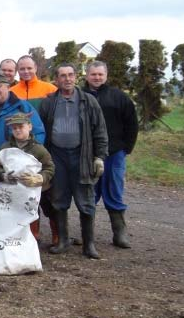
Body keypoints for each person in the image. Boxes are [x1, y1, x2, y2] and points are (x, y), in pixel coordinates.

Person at [38, 63, 109, 260]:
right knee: (59, 199)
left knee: (85, 200)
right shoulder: (49, 103)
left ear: (76, 77)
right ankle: (62, 240)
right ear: (57, 79)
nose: (67, 79)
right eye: (62, 76)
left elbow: (100, 131)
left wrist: (100, 157)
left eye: (70, 75)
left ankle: (89, 244)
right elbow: (41, 130)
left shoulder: (88, 101)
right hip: (57, 156)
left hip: (82, 156)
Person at [84, 60, 138, 249]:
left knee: (114, 191)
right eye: (93, 74)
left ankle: (119, 233)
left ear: (106, 76)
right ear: (87, 75)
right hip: (87, 154)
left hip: (114, 153)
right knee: (88, 193)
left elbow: (132, 124)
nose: (97, 77)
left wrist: (126, 148)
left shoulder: (119, 97)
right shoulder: (79, 97)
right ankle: (87, 234)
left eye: (100, 74)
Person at [0, 112, 55, 241]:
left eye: (20, 126)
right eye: (14, 128)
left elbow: (50, 167)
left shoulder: (39, 149)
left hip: (32, 191)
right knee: (12, 213)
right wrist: (3, 175)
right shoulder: (5, 148)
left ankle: (35, 236)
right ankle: (14, 238)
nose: (17, 130)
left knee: (34, 210)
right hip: (11, 190)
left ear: (29, 126)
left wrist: (40, 178)